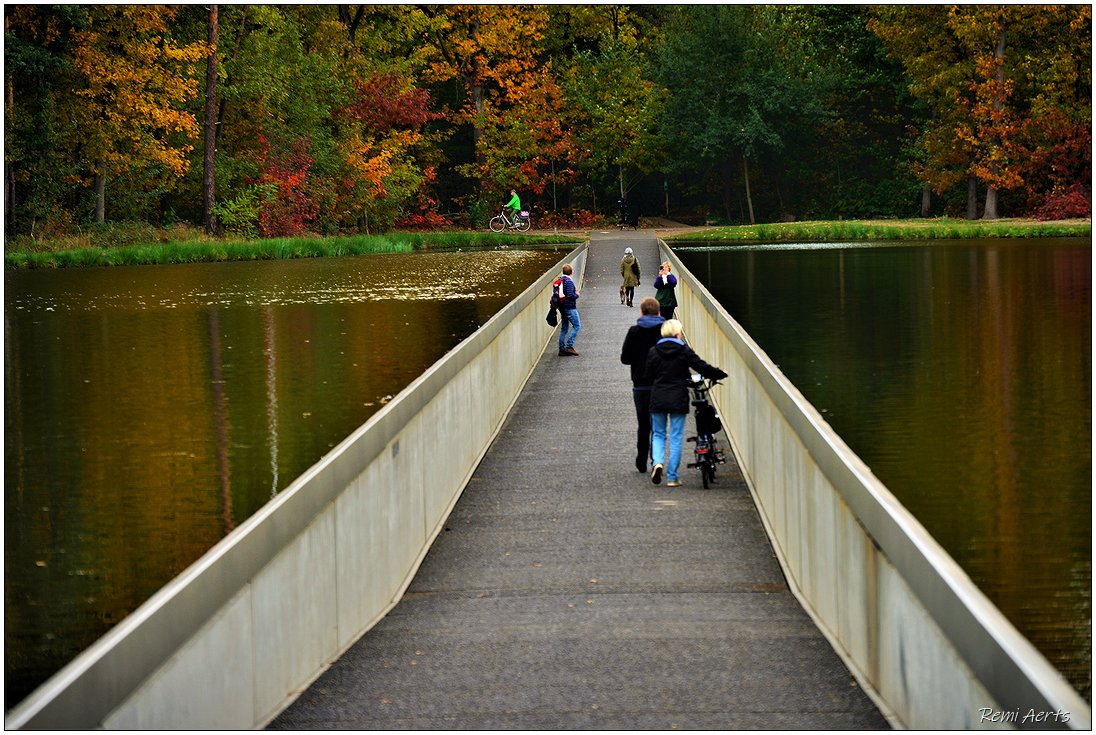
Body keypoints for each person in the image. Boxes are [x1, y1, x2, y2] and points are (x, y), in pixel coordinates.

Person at [644, 319, 727, 487]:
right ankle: (673, 477)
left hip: (658, 397)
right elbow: (701, 366)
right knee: (675, 437)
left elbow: (647, 375)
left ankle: (658, 462)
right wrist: (719, 374)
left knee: (659, 434)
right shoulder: (683, 350)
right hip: (678, 398)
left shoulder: (653, 351)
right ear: (677, 333)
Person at [620, 297, 664, 472]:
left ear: (641, 312)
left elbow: (625, 359)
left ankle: (641, 460)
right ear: (658, 312)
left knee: (643, 424)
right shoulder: (663, 331)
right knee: (658, 426)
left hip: (640, 384)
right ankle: (657, 460)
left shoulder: (634, 331)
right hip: (660, 384)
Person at [556, 262, 581, 356]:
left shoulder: (561, 280)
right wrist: (577, 295)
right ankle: (569, 346)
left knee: (564, 328)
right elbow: (570, 295)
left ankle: (561, 349)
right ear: (571, 272)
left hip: (562, 307)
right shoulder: (569, 281)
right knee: (577, 325)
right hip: (569, 307)